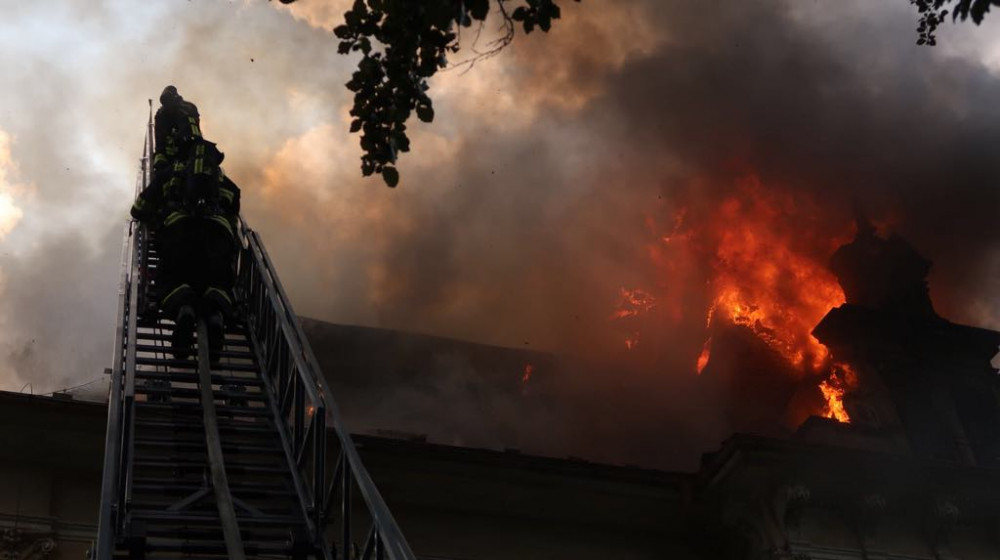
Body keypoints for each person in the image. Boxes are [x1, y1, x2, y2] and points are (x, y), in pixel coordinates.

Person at [131, 88, 240, 362]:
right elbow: (234, 207)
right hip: (217, 234)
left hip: (180, 230)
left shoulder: (171, 171)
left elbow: (139, 209)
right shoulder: (221, 180)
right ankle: (215, 318)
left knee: (172, 279)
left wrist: (152, 217)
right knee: (218, 282)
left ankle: (185, 311)